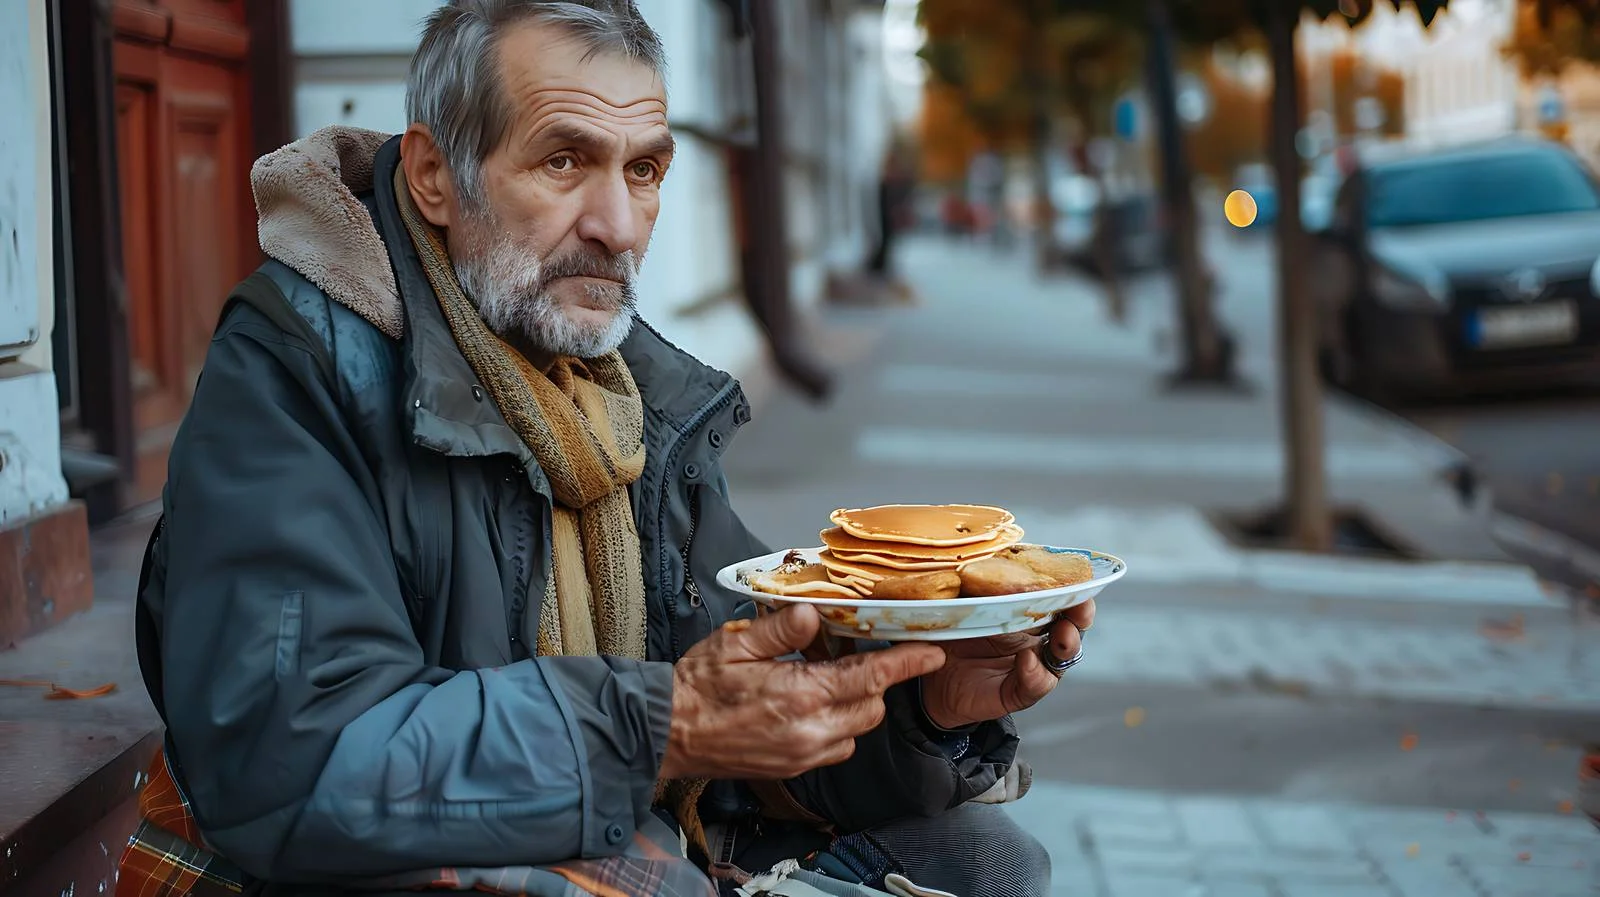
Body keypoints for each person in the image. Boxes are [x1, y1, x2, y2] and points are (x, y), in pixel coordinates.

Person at [117, 4, 1094, 897]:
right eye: (562, 161)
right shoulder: (297, 370)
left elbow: (746, 709)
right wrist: (652, 726)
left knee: (987, 859)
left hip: (597, 829)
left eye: (643, 169)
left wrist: (934, 702)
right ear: (432, 176)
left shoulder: (624, 397)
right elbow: (289, 761)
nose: (617, 227)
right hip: (347, 866)